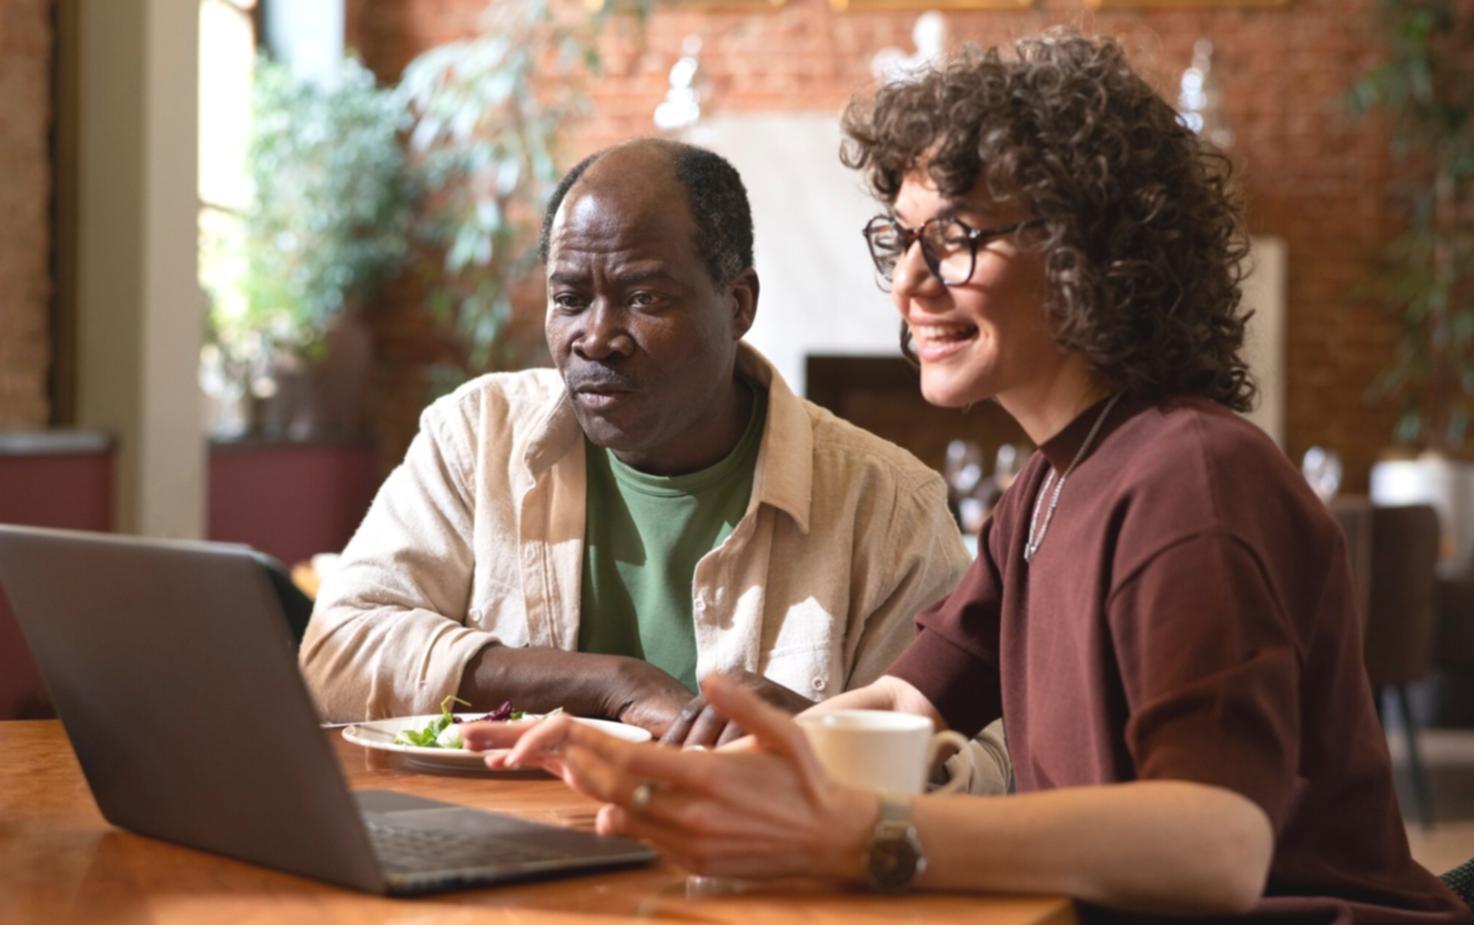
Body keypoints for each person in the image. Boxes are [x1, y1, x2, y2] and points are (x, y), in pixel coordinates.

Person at [462, 33, 1470, 924]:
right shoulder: (1046, 487)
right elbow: (901, 706)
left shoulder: (1189, 481)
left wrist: (873, 837)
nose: (907, 281)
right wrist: (686, 780)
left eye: (955, 239)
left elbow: (1217, 844)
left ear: (1087, 251)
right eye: (901, 240)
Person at [299, 139, 977, 755]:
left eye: (644, 296)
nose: (596, 337)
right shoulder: (478, 436)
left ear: (738, 303)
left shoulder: (887, 508)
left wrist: (824, 741)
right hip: (499, 858)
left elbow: (975, 762)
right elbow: (337, 653)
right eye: (569, 298)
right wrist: (611, 683)